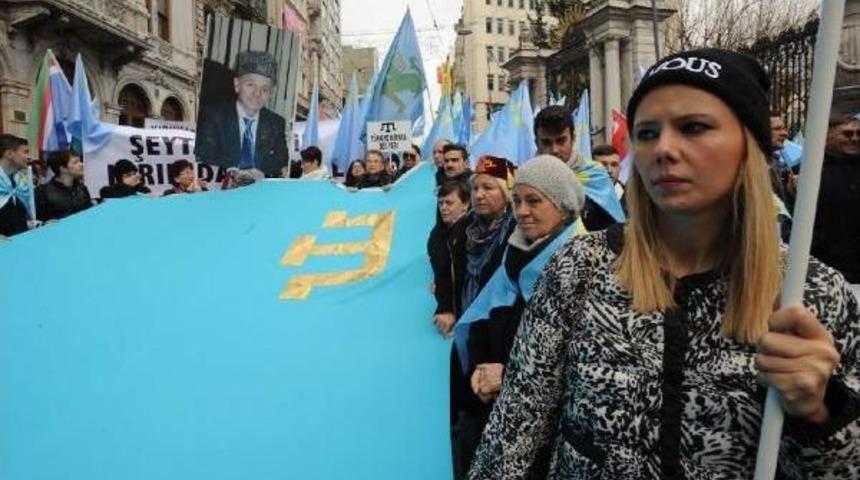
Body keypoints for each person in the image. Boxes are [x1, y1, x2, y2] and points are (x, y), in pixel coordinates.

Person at [469, 49, 860, 479]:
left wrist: (821, 412)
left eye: (694, 127)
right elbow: (513, 432)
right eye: (647, 132)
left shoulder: (812, 294)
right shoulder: (581, 268)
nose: (664, 149)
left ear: (748, 143)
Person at [454, 154, 585, 478]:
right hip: (498, 418)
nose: (522, 211)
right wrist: (480, 369)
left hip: (551, 442)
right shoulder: (513, 256)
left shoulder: (587, 266)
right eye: (517, 200)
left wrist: (509, 374)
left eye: (534, 201)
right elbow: (483, 318)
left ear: (564, 205)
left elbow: (583, 364)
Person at [451, 154, 516, 480]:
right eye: (475, 188)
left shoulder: (517, 234)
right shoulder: (464, 231)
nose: (479, 195)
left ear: (506, 193)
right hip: (468, 335)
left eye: (489, 187)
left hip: (500, 346)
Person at [195, 50, 288, 177]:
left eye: (265, 89)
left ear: (271, 94)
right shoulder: (214, 115)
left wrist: (261, 171)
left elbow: (282, 157)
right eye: (250, 85)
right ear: (237, 85)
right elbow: (204, 152)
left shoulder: (276, 123)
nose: (257, 94)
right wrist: (237, 170)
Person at [535, 105, 622, 231]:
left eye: (561, 141)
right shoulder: (527, 181)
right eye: (546, 142)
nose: (554, 150)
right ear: (536, 142)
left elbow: (615, 232)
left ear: (573, 138)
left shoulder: (596, 176)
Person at [810, 111, 860, 285]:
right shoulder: (811, 170)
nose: (854, 138)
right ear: (827, 136)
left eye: (858, 134)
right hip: (829, 267)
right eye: (847, 134)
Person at [428, 180, 472, 337]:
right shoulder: (437, 233)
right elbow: (442, 273)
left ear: (465, 204)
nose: (443, 208)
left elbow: (461, 278)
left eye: (449, 203)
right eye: (440, 203)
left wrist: (450, 311)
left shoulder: (471, 232)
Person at [36, 150, 92, 222]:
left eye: (80, 161)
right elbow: (41, 222)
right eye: (75, 162)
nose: (81, 164)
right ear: (63, 168)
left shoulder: (82, 188)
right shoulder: (43, 193)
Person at [0, 134, 32, 237]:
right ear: (9, 154)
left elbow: (19, 221)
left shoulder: (21, 182)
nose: (30, 157)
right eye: (25, 152)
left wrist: (40, 224)